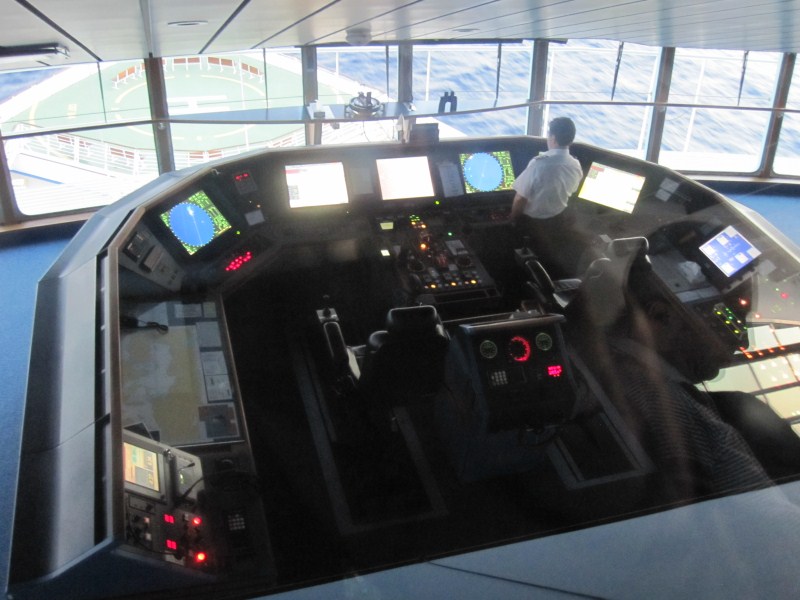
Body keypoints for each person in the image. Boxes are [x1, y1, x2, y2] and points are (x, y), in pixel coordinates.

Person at [509, 116, 585, 277]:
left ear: (553, 138)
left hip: (531, 224)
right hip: (558, 223)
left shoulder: (539, 163)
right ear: (570, 140)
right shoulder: (575, 165)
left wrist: (512, 219)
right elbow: (572, 191)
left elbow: (520, 198)